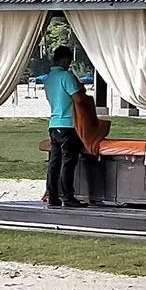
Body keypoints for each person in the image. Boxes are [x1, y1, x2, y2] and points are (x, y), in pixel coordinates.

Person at [44, 45, 89, 208]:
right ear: (64, 59)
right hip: (68, 124)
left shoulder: (49, 78)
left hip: (53, 124)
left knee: (54, 162)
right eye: (69, 60)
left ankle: (53, 195)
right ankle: (68, 196)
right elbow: (78, 99)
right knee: (68, 162)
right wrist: (82, 92)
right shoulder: (66, 76)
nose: (69, 63)